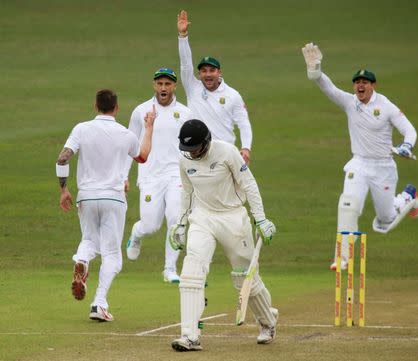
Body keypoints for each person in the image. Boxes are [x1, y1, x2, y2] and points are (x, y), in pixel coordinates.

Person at [301, 43, 418, 270]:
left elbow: (409, 130)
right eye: (357, 82)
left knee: (385, 220)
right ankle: (342, 257)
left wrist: (406, 145)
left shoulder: (385, 106)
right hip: (359, 163)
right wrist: (316, 72)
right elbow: (329, 88)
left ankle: (409, 196)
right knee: (348, 204)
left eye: (364, 82)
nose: (360, 86)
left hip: (384, 167)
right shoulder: (350, 103)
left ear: (372, 85)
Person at [168, 119, 277, 351]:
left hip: (233, 217)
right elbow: (187, 192)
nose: (192, 154)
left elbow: (249, 184)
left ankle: (267, 322)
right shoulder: (184, 160)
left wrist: (261, 218)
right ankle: (190, 336)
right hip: (203, 217)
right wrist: (180, 224)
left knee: (243, 278)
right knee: (191, 273)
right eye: (188, 150)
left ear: (206, 142)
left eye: (195, 149)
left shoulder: (227, 152)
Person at [56, 89, 155, 321]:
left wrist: (63, 190)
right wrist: (148, 128)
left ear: (95, 106)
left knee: (89, 241)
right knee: (112, 255)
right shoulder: (126, 134)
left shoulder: (81, 128)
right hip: (113, 197)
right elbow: (143, 157)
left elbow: (62, 158)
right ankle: (99, 303)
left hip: (86, 196)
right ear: (116, 108)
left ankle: (82, 260)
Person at [125, 68, 193, 284]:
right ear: (154, 86)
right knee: (151, 225)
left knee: (176, 219)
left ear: (174, 86)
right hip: (150, 176)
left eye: (168, 84)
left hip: (176, 175)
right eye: (160, 84)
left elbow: (192, 147)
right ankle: (136, 234)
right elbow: (129, 144)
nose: (163, 88)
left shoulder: (185, 113)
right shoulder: (140, 111)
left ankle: (170, 268)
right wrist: (123, 176)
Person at [177, 10, 253, 164]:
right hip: (197, 154)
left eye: (212, 70)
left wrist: (246, 148)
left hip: (225, 156)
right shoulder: (193, 88)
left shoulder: (233, 95)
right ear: (199, 74)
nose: (208, 74)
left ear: (219, 72)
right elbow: (185, 64)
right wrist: (183, 37)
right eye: (204, 71)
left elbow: (243, 123)